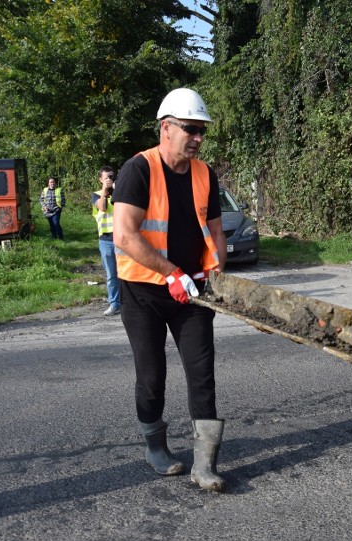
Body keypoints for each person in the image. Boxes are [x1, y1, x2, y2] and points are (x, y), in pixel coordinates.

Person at [112, 88, 228, 492]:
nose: (197, 138)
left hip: (192, 291)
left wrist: (217, 273)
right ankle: (156, 448)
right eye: (191, 129)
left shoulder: (204, 173)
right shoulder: (138, 169)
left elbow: (214, 227)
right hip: (144, 291)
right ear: (166, 128)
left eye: (202, 132)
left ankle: (205, 464)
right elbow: (124, 236)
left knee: (202, 375)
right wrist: (169, 272)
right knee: (151, 375)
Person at [92, 166, 121, 316]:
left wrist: (117, 189)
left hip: (122, 238)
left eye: (111, 177)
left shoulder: (120, 193)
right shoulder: (96, 195)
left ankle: (127, 303)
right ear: (100, 180)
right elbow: (102, 207)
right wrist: (105, 190)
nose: (109, 180)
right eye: (106, 178)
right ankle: (114, 303)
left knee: (125, 273)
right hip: (106, 240)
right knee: (111, 275)